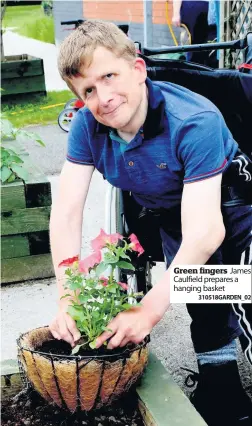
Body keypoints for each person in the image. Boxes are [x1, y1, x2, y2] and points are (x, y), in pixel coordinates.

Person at [49, 20, 252, 426]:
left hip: (235, 206)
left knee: (240, 286)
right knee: (199, 281)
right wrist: (68, 294)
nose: (103, 97)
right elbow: (67, 210)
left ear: (139, 70)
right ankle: (219, 375)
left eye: (110, 76)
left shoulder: (194, 120)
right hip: (171, 213)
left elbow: (208, 230)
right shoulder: (89, 128)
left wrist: (147, 310)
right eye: (88, 89)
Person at [172, 0, 218, 65]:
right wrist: (176, 13)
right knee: (194, 49)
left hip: (210, 8)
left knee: (210, 47)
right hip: (194, 7)